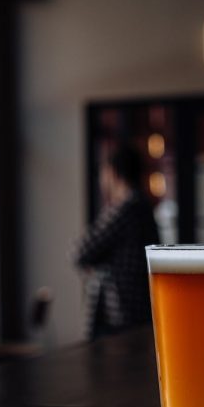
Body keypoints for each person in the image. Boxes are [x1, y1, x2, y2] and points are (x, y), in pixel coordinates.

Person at [73, 145, 160, 339]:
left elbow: (80, 252)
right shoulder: (144, 207)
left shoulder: (125, 208)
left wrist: (99, 260)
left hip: (120, 313)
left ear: (113, 172)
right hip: (140, 309)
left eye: (103, 172)